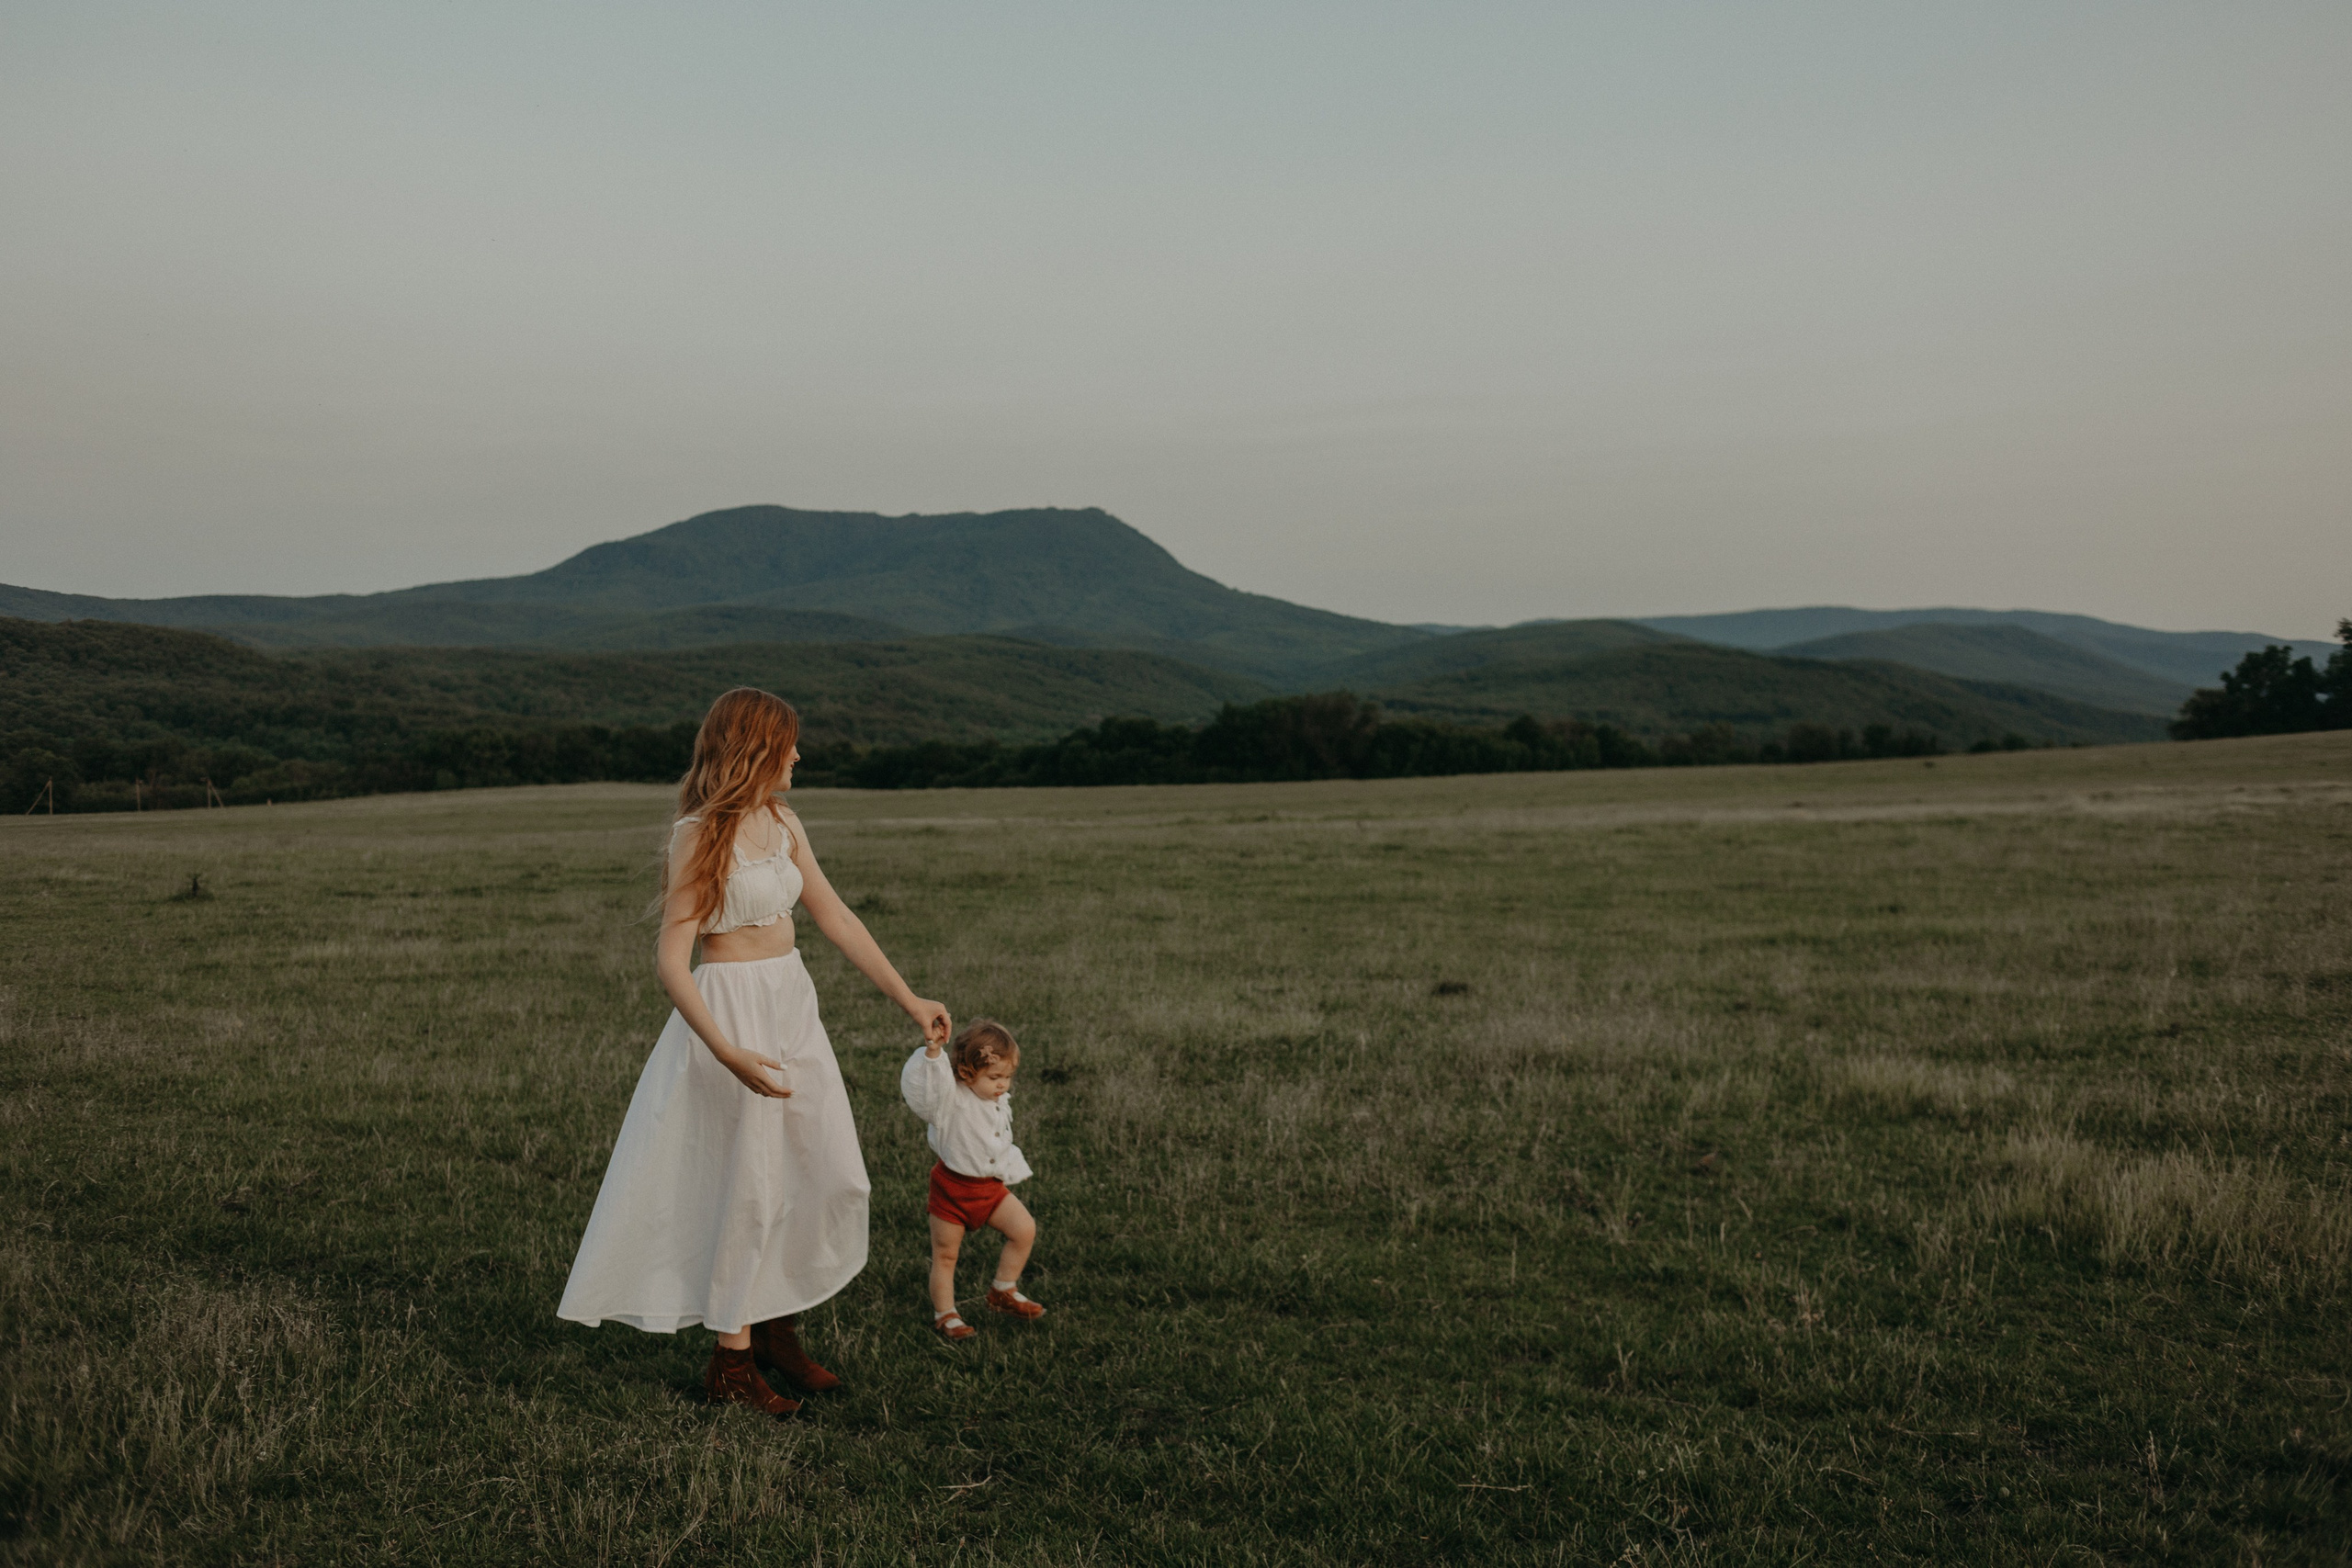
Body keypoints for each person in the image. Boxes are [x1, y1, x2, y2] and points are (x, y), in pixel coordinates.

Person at [559, 687, 951, 1416]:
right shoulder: (698, 833)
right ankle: (730, 1364)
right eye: (788, 744)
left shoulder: (784, 820)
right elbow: (673, 959)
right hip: (729, 1015)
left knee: (819, 1168)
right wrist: (726, 1050)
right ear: (754, 751)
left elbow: (833, 915)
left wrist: (910, 997)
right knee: (747, 1185)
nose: (799, 755)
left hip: (791, 1005)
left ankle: (775, 1328)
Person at [900, 1018, 1045, 1340]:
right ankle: (946, 1314)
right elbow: (929, 1090)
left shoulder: (995, 1098)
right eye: (995, 1077)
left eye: (1007, 1077)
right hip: (952, 1190)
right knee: (946, 1254)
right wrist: (934, 1053)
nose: (1002, 1085)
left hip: (989, 1189)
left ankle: (1003, 1291)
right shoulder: (951, 1098)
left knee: (1024, 1229)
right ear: (966, 1073)